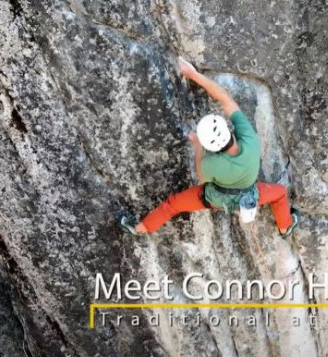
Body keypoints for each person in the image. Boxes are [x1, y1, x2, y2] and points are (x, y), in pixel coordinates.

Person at [118, 57, 300, 237]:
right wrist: (193, 74)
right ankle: (285, 228)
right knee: (280, 193)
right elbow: (225, 99)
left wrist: (198, 147)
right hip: (249, 196)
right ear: (227, 128)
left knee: (173, 204)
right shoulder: (250, 140)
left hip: (214, 199)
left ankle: (139, 228)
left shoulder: (212, 164)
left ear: (209, 146)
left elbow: (201, 176)